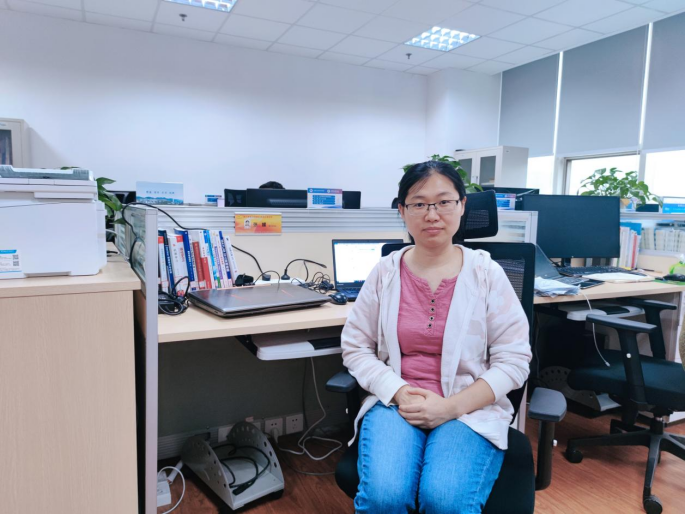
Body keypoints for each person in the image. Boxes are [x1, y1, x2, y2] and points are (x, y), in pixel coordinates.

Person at [341, 160, 532, 514]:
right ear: (402, 211)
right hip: (397, 403)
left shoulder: (487, 274)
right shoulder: (384, 273)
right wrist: (398, 391)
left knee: (445, 500)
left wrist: (449, 407)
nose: (432, 215)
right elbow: (356, 347)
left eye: (444, 202)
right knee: (384, 497)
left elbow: (515, 360)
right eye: (419, 203)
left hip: (468, 406)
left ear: (462, 206)